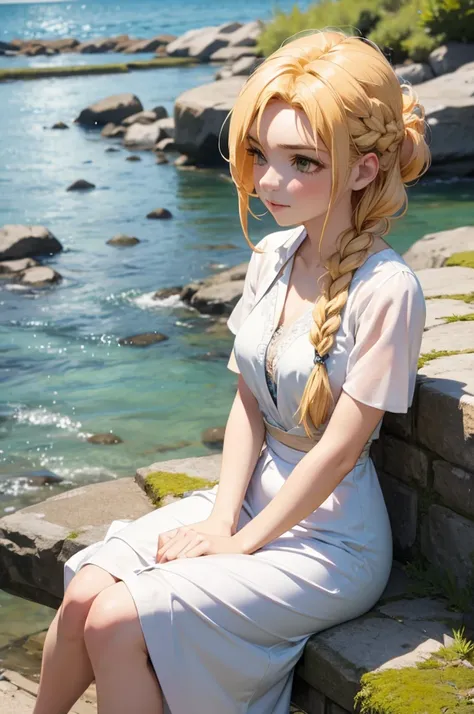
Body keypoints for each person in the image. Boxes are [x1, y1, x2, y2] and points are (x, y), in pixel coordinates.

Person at [33, 28, 430, 714]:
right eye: (260, 155)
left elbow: (337, 453)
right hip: (245, 503)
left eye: (301, 161)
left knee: (117, 618)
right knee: (85, 593)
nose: (270, 181)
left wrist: (241, 544)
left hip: (332, 541)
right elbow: (248, 403)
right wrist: (222, 519)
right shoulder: (271, 256)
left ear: (365, 169)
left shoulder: (388, 288)